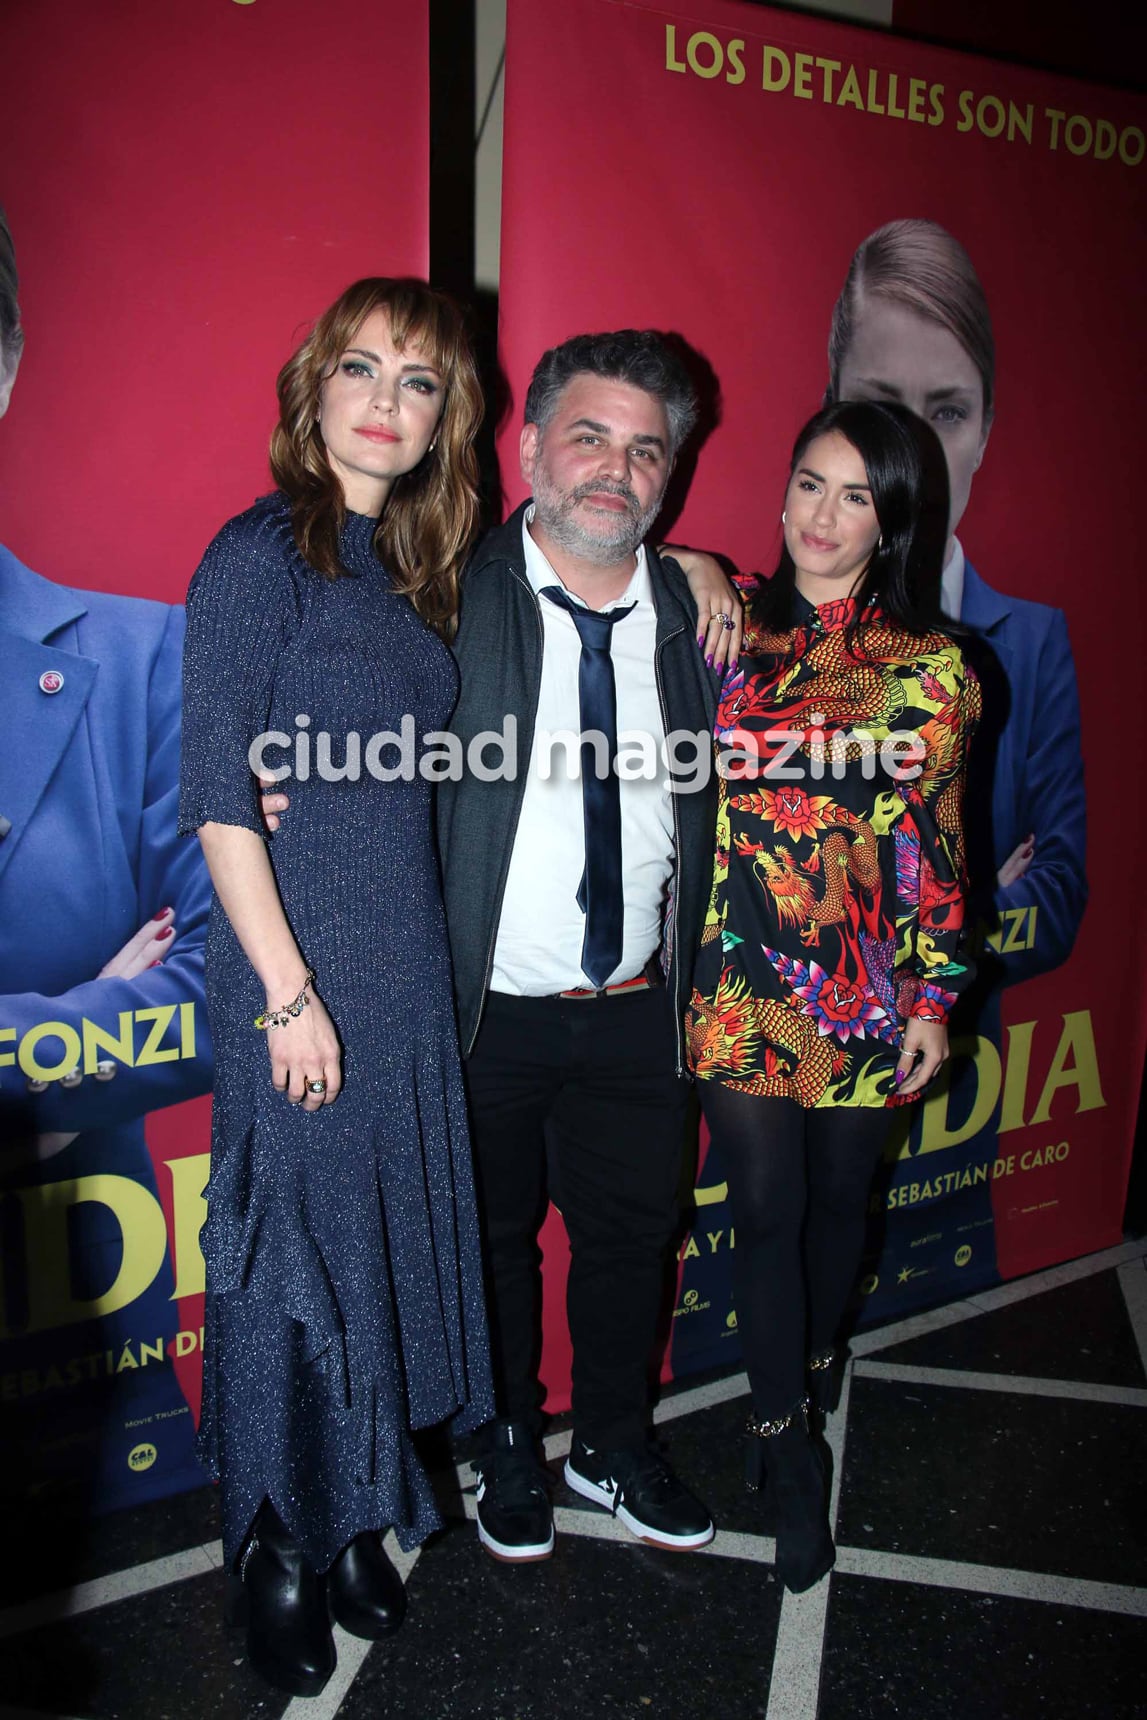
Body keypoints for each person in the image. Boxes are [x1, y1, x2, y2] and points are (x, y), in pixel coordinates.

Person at [178, 278, 494, 1699]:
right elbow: (216, 795)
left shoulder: (413, 569)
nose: (385, 398)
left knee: (373, 1254)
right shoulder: (259, 556)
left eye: (417, 381)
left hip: (402, 967)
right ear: (312, 392)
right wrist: (289, 993)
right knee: (291, 1266)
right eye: (359, 368)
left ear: (442, 421)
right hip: (290, 972)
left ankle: (359, 1502)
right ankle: (273, 1547)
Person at [435, 331, 734, 1565]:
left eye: (644, 449)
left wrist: (711, 569)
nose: (614, 469)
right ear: (531, 448)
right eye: (590, 437)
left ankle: (611, 1440)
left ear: (670, 478)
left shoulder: (704, 616)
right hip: (485, 1009)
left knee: (628, 1243)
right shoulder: (445, 590)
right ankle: (509, 1437)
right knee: (492, 1239)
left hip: (635, 1009)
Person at [686, 399, 980, 1592]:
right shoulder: (721, 633)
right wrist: (691, 558)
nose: (822, 515)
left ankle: (806, 1371)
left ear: (893, 520)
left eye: (855, 495)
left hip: (863, 987)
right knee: (761, 1205)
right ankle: (781, 1441)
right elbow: (613, 562)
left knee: (837, 1205)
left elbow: (940, 841)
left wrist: (932, 996)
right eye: (810, 483)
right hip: (738, 976)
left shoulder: (933, 670)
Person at [0, 207, 212, 1508]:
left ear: (9, 362)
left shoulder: (140, 665)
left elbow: (214, 1000)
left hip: (83, 1388)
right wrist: (72, 1020)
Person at [826, 217, 1086, 985]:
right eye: (880, 406)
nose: (913, 451)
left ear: (983, 432)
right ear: (830, 409)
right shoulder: (763, 629)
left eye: (945, 413)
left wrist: (919, 957)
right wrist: (972, 905)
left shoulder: (1031, 644)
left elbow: (1059, 898)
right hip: (790, 1067)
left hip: (967, 1082)